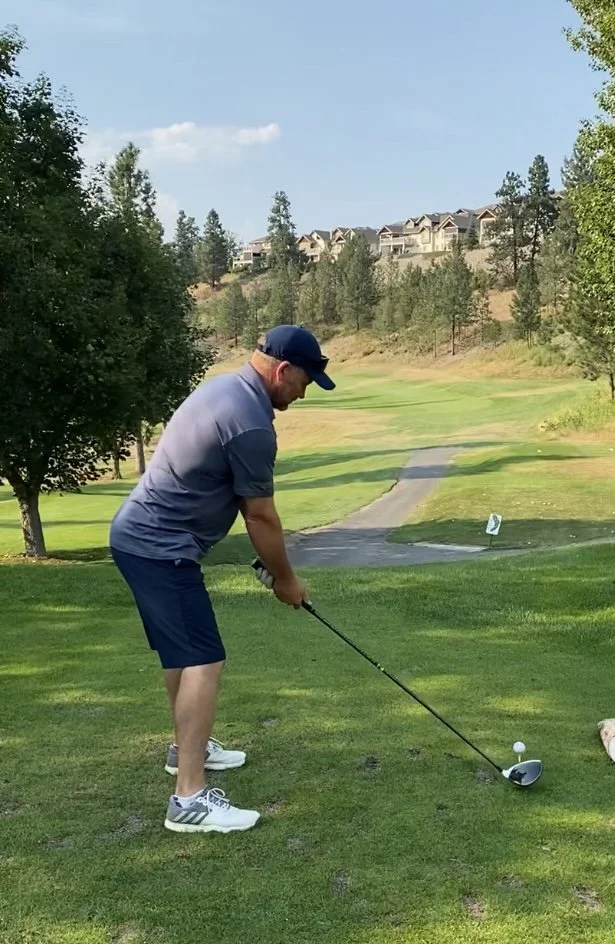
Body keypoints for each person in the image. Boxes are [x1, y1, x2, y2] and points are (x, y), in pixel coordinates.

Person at [109, 324, 335, 834]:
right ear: (283, 370)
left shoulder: (225, 389)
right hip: (159, 548)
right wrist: (286, 580)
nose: (302, 395)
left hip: (138, 539)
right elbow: (260, 516)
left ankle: (185, 748)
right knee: (203, 659)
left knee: (182, 656)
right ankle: (188, 798)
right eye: (304, 383)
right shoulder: (251, 422)